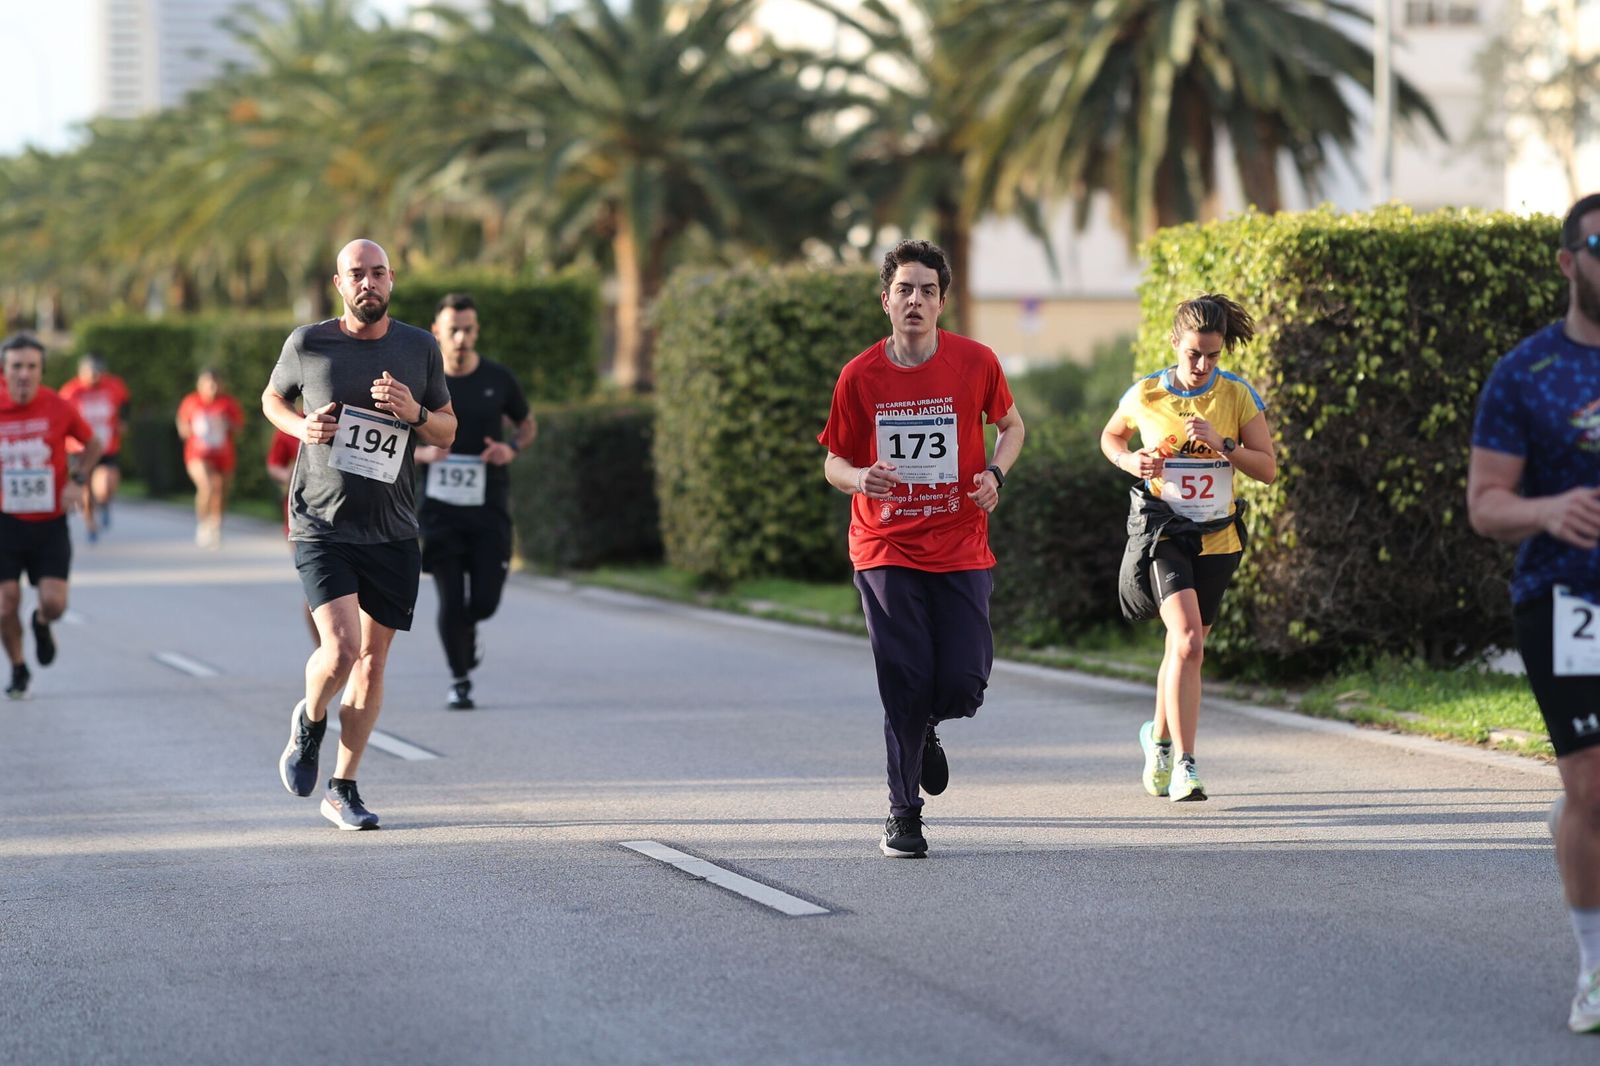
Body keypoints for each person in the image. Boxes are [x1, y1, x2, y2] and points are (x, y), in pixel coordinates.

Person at [818, 238, 1025, 858]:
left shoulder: (975, 361)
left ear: (942, 302)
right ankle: (902, 813)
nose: (915, 300)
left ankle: (932, 725)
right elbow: (834, 460)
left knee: (964, 682)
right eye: (904, 289)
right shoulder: (860, 375)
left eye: (927, 291)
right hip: (884, 545)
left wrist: (994, 475)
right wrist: (861, 479)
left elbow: (1011, 426)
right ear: (886, 301)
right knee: (902, 677)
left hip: (960, 542)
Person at [263, 238, 456, 831]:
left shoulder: (419, 347)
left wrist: (413, 412)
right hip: (321, 522)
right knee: (342, 649)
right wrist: (303, 427)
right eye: (357, 274)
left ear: (391, 280)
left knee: (372, 664)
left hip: (393, 528)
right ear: (340, 284)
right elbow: (271, 398)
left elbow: (447, 431)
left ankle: (342, 787)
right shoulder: (308, 343)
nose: (368, 282)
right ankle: (310, 719)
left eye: (378, 273)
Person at [1468, 192, 1600, 1034]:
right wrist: (1548, 512)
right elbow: (1487, 504)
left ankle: (1578, 815)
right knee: (1594, 784)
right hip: (1567, 598)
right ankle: (1595, 967)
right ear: (1567, 261)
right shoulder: (1527, 373)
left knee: (1592, 798)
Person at [1100, 293, 1277, 803]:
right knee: (1188, 641)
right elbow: (1111, 438)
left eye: (1214, 355)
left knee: (1186, 647)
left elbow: (1267, 469)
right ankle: (1185, 764)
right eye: (1194, 353)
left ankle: (1156, 737)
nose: (1202, 365)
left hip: (1218, 536)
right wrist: (1133, 462)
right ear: (1176, 343)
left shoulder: (1238, 396)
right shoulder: (1148, 393)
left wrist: (1224, 444)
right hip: (1165, 531)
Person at [413, 293, 536, 711]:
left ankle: (470, 634)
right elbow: (399, 443)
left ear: (477, 330)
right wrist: (424, 453)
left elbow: (527, 424)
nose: (461, 337)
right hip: (440, 511)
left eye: (468, 329)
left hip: (488, 508)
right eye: (453, 330)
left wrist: (511, 450)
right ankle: (459, 678)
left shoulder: (498, 378)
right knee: (450, 600)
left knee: (482, 602)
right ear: (437, 333)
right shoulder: (424, 383)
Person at [0, 333, 103, 699]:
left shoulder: (57, 406)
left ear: (41, 370)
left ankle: (41, 624)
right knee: (4, 601)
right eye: (17, 366)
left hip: (48, 523)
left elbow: (94, 443)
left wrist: (77, 480)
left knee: (55, 604)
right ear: (5, 369)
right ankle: (17, 667)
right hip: (5, 522)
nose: (24, 374)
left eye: (31, 366)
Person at [58, 353, 130, 541]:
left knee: (106, 483)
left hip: (106, 446)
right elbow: (60, 417)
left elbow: (125, 403)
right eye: (90, 372)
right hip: (79, 449)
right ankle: (90, 524)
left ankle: (105, 503)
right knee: (85, 490)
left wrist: (123, 421)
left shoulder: (113, 386)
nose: (94, 376)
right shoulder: (70, 391)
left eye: (98, 372)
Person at [176, 368, 244, 549]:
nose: (212, 387)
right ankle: (203, 523)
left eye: (215, 383)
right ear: (200, 384)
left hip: (223, 454)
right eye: (208, 383)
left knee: (221, 490)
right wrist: (191, 429)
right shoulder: (191, 402)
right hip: (198, 454)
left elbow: (239, 428)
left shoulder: (228, 403)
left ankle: (216, 524)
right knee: (207, 485)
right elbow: (182, 425)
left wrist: (225, 422)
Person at [266, 426, 319, 647]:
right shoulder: (291, 423)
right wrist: (289, 475)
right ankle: (327, 651)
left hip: (352, 519)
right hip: (303, 520)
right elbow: (274, 465)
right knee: (318, 592)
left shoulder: (349, 412)